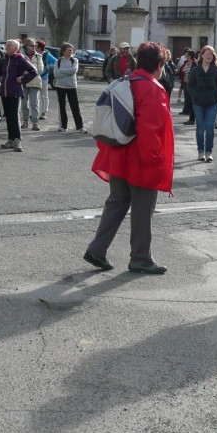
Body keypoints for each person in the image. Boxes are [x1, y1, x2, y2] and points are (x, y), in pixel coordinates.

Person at [83, 41, 173, 275]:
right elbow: (150, 129)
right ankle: (140, 258)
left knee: (116, 202)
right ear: (159, 64)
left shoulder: (127, 80)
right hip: (139, 158)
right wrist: (155, 161)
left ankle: (97, 249)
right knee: (143, 210)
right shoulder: (152, 88)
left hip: (118, 154)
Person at [0, 39, 38, 152]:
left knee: (15, 117)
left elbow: (33, 71)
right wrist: (1, 78)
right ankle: (10, 139)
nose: (6, 47)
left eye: (9, 45)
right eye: (6, 45)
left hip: (15, 92)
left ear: (16, 48)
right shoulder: (4, 59)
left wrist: (22, 79)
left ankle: (18, 140)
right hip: (4, 92)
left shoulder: (20, 59)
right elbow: (0, 72)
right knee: (8, 117)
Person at [187, 45, 217, 162]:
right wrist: (195, 96)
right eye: (207, 53)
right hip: (198, 103)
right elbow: (190, 85)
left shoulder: (216, 69)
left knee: (209, 127)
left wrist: (216, 96)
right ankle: (201, 152)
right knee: (200, 128)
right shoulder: (195, 70)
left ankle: (209, 152)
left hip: (212, 103)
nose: (209, 55)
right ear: (202, 55)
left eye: (211, 54)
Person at [53, 43, 88, 133]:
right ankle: (63, 126)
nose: (71, 52)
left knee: (75, 107)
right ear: (64, 51)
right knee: (62, 107)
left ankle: (80, 127)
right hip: (60, 86)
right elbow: (56, 74)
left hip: (71, 86)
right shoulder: (58, 61)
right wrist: (66, 72)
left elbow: (74, 70)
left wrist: (62, 71)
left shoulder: (75, 60)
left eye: (71, 50)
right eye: (69, 50)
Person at [21, 38, 44, 130]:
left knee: (34, 103)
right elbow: (20, 69)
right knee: (24, 104)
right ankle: (25, 122)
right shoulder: (21, 56)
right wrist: (30, 72)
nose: (34, 47)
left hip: (35, 82)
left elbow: (40, 70)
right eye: (32, 46)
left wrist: (28, 72)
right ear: (27, 46)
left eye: (34, 46)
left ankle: (35, 123)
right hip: (24, 82)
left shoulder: (39, 56)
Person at [36, 39, 56, 120]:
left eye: (36, 46)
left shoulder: (47, 55)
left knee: (44, 95)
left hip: (44, 77)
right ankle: (35, 112)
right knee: (35, 95)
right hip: (35, 77)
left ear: (40, 48)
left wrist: (49, 66)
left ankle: (44, 112)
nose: (34, 47)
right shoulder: (34, 54)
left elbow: (56, 61)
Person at [178, 50, 196, 124]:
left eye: (187, 54)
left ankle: (191, 114)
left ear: (190, 56)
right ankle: (186, 110)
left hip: (192, 84)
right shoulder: (185, 62)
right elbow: (181, 70)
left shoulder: (195, 64)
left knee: (191, 99)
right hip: (185, 82)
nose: (185, 55)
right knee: (186, 97)